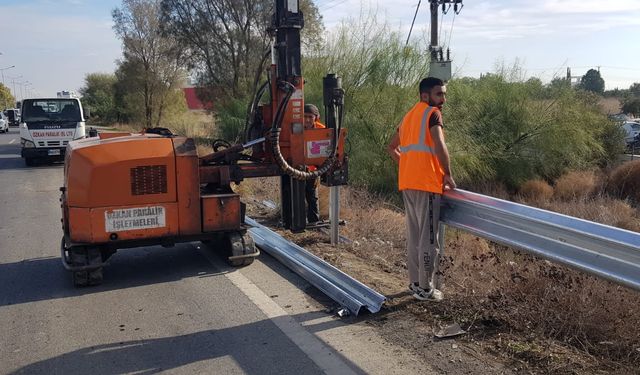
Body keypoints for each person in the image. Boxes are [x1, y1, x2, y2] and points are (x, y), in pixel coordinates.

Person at [386, 77, 456, 301]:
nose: (443, 99)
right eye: (439, 94)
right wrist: (447, 174)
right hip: (426, 184)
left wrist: (408, 166)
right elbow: (439, 144)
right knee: (428, 239)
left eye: (444, 94)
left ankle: (415, 284)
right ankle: (426, 289)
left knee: (415, 236)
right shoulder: (432, 113)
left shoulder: (408, 117)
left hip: (408, 183)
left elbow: (391, 147)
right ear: (425, 96)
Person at [303, 104, 326, 225]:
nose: (307, 120)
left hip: (313, 169)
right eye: (304, 116)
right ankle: (298, 221)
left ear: (316, 117)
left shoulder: (322, 130)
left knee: (312, 196)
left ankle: (313, 222)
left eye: (310, 117)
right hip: (298, 168)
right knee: (297, 195)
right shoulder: (296, 128)